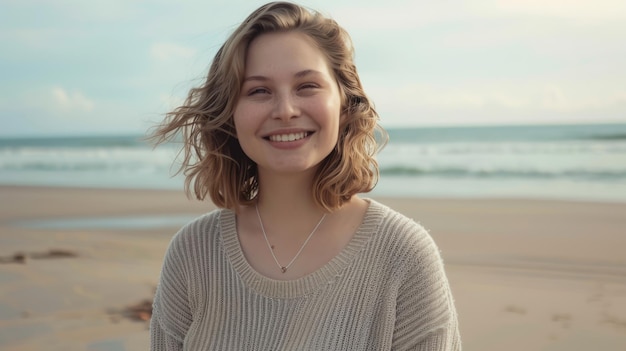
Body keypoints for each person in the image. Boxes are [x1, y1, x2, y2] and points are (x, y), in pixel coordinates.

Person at [149, 1, 461, 350]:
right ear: (229, 114)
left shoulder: (403, 256)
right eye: (259, 91)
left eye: (307, 86)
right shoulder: (193, 253)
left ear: (345, 102)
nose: (285, 111)